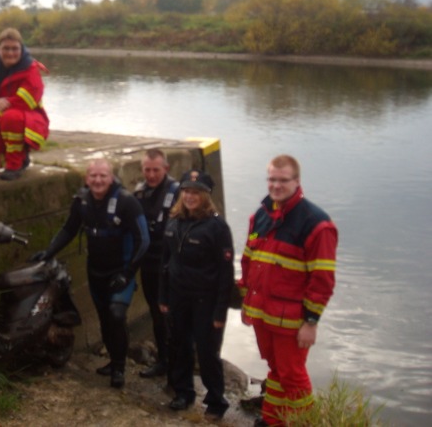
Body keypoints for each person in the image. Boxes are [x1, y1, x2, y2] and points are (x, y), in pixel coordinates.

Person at [29, 158, 150, 389]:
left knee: (116, 315)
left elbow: (143, 240)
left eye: (103, 176)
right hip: (96, 272)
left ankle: (119, 367)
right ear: (87, 178)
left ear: (111, 177)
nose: (98, 180)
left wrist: (128, 272)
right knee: (105, 318)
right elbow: (68, 229)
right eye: (93, 176)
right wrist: (48, 252)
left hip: (121, 272)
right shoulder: (82, 201)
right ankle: (112, 361)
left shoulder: (127, 202)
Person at [239, 155, 337, 426]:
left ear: (297, 182)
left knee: (292, 376)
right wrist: (244, 298)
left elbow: (323, 280)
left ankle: (308, 422)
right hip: (263, 315)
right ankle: (273, 420)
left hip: (292, 321)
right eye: (272, 179)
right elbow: (249, 262)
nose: (276, 185)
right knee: (276, 371)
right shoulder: (260, 216)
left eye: (283, 180)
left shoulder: (316, 224)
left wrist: (311, 322)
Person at [158, 170, 234, 418]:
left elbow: (226, 272)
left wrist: (220, 311)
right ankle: (183, 392)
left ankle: (215, 401)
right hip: (178, 296)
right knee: (179, 345)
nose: (190, 196)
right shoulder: (173, 221)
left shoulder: (217, 227)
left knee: (207, 351)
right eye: (186, 191)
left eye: (195, 192)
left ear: (205, 195)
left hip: (206, 300)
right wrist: (163, 297)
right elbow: (165, 262)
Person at [0, 28, 49, 180]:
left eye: (15, 49)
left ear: (21, 49)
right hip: (0, 123)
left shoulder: (31, 70)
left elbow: (24, 102)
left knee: (10, 117)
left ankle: (15, 164)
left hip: (28, 121)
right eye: (6, 48)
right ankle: (12, 153)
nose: (10, 53)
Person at [132, 148, 179, 379]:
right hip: (149, 265)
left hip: (171, 267)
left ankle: (178, 365)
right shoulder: (139, 194)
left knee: (173, 315)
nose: (151, 175)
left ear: (166, 169)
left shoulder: (178, 193)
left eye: (156, 170)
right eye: (147, 170)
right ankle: (163, 361)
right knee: (156, 314)